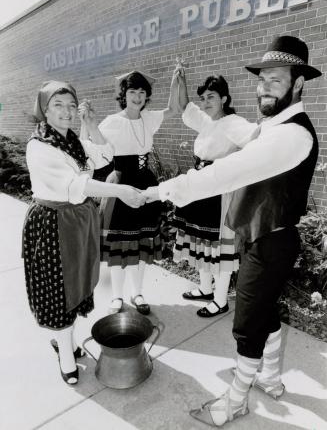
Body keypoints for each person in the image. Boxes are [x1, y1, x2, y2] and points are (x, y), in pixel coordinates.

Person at [144, 35, 321, 426]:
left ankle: (236, 401)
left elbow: (230, 171)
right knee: (264, 311)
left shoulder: (293, 134)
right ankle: (271, 380)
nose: (263, 88)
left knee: (247, 325)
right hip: (260, 237)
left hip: (271, 240)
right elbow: (224, 132)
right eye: (261, 80)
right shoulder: (272, 127)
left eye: (274, 80)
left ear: (299, 83)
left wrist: (161, 191)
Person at [23, 80, 145, 386]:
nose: (65, 112)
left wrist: (90, 123)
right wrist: (121, 190)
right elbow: (76, 185)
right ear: (44, 110)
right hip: (52, 224)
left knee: (75, 286)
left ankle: (65, 341)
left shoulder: (71, 141)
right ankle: (66, 353)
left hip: (76, 223)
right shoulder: (39, 146)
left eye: (70, 105)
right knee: (59, 290)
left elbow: (103, 158)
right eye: (57, 105)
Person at [81, 70, 179, 315]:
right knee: (119, 242)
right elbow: (93, 146)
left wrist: (177, 81)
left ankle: (137, 293)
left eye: (142, 92)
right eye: (132, 92)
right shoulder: (113, 121)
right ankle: (117, 296)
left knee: (140, 242)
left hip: (145, 184)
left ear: (147, 96)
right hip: (121, 184)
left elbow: (173, 109)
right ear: (124, 95)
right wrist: (88, 123)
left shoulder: (149, 118)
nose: (138, 97)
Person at [172, 69, 256, 317]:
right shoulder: (208, 121)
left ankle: (221, 300)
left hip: (219, 193)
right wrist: (181, 82)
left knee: (219, 246)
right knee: (202, 241)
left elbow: (256, 140)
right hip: (201, 188)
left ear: (225, 99)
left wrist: (235, 168)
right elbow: (184, 105)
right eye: (204, 98)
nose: (206, 102)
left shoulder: (233, 123)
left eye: (211, 97)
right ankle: (205, 289)